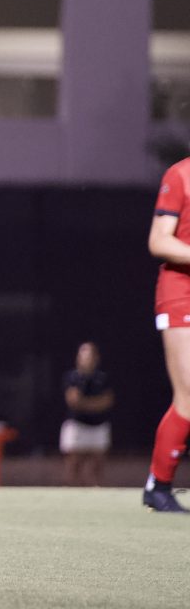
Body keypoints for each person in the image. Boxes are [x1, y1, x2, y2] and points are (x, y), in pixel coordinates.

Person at [144, 157, 190, 512]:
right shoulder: (181, 174)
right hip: (182, 293)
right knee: (189, 395)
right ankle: (158, 485)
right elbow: (159, 241)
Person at [60, 341, 113, 487]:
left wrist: (85, 403)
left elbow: (107, 401)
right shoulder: (72, 377)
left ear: (96, 358)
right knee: (73, 463)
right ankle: (71, 494)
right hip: (77, 425)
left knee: (97, 465)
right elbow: (73, 401)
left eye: (89, 355)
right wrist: (94, 404)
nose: (86, 359)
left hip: (99, 425)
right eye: (82, 355)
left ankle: (96, 494)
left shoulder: (103, 378)